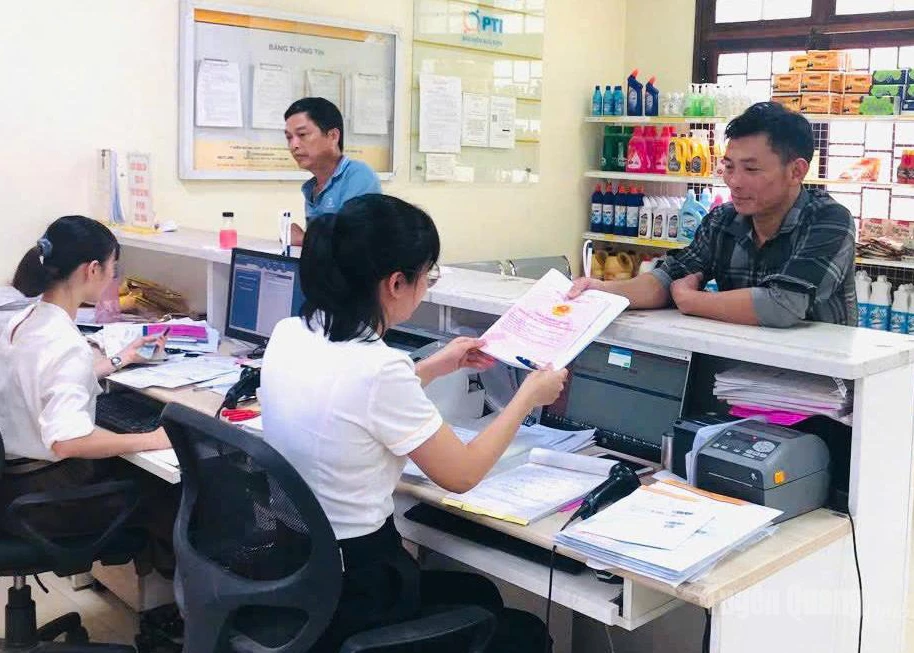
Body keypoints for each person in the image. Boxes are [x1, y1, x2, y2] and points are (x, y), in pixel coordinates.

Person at [260, 194, 567, 652]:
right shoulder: (376, 370)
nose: (428, 286)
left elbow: (350, 398)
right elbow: (460, 475)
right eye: (428, 276)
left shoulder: (293, 332)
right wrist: (526, 397)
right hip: (355, 587)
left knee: (478, 594)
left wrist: (438, 364)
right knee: (523, 635)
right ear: (396, 283)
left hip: (299, 570)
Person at [571, 102, 857, 328]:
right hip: (739, 371)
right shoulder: (723, 220)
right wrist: (603, 290)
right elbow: (668, 278)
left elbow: (782, 305)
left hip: (817, 385)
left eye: (751, 169)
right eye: (729, 167)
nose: (734, 181)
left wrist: (691, 301)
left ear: (796, 171)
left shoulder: (829, 221)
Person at [0, 216, 173, 556]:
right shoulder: (64, 342)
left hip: (13, 485)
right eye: (113, 268)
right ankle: (175, 605)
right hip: (44, 499)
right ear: (92, 270)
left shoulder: (27, 318)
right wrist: (151, 438)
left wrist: (119, 360)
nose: (114, 277)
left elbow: (40, 380)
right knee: (171, 489)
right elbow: (67, 441)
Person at [284, 97, 381, 246]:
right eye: (289, 137)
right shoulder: (311, 188)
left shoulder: (359, 175)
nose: (293, 145)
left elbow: (355, 241)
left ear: (333, 136)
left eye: (302, 135)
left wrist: (303, 239)